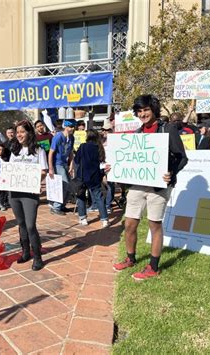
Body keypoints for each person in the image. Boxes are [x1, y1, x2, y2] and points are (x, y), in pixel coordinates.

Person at [113, 95, 188, 280]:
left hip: (159, 186)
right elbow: (130, 160)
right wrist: (115, 168)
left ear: (154, 109)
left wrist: (171, 172)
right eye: (139, 111)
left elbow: (182, 157)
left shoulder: (167, 129)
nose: (143, 114)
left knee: (154, 224)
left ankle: (153, 267)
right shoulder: (137, 133)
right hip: (138, 184)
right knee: (130, 223)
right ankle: (130, 259)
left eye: (146, 109)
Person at [9, 120, 48, 271]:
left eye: (22, 132)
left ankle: (37, 256)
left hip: (30, 193)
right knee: (21, 224)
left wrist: (35, 181)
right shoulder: (14, 151)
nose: (19, 135)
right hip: (14, 193)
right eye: (17, 132)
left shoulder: (39, 151)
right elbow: (10, 170)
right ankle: (25, 252)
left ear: (29, 133)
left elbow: (43, 171)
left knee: (31, 225)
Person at [75, 130, 109, 227]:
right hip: (95, 175)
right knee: (99, 197)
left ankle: (83, 218)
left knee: (81, 197)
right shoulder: (99, 147)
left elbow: (77, 160)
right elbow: (102, 162)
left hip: (82, 176)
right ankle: (104, 220)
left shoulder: (83, 146)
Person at [48, 119, 76, 215]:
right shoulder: (58, 137)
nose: (72, 129)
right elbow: (51, 153)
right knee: (64, 184)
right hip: (57, 163)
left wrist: (71, 165)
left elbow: (71, 152)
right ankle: (56, 207)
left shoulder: (72, 138)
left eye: (73, 127)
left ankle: (62, 205)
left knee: (69, 185)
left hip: (65, 163)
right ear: (65, 126)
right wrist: (51, 168)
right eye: (70, 126)